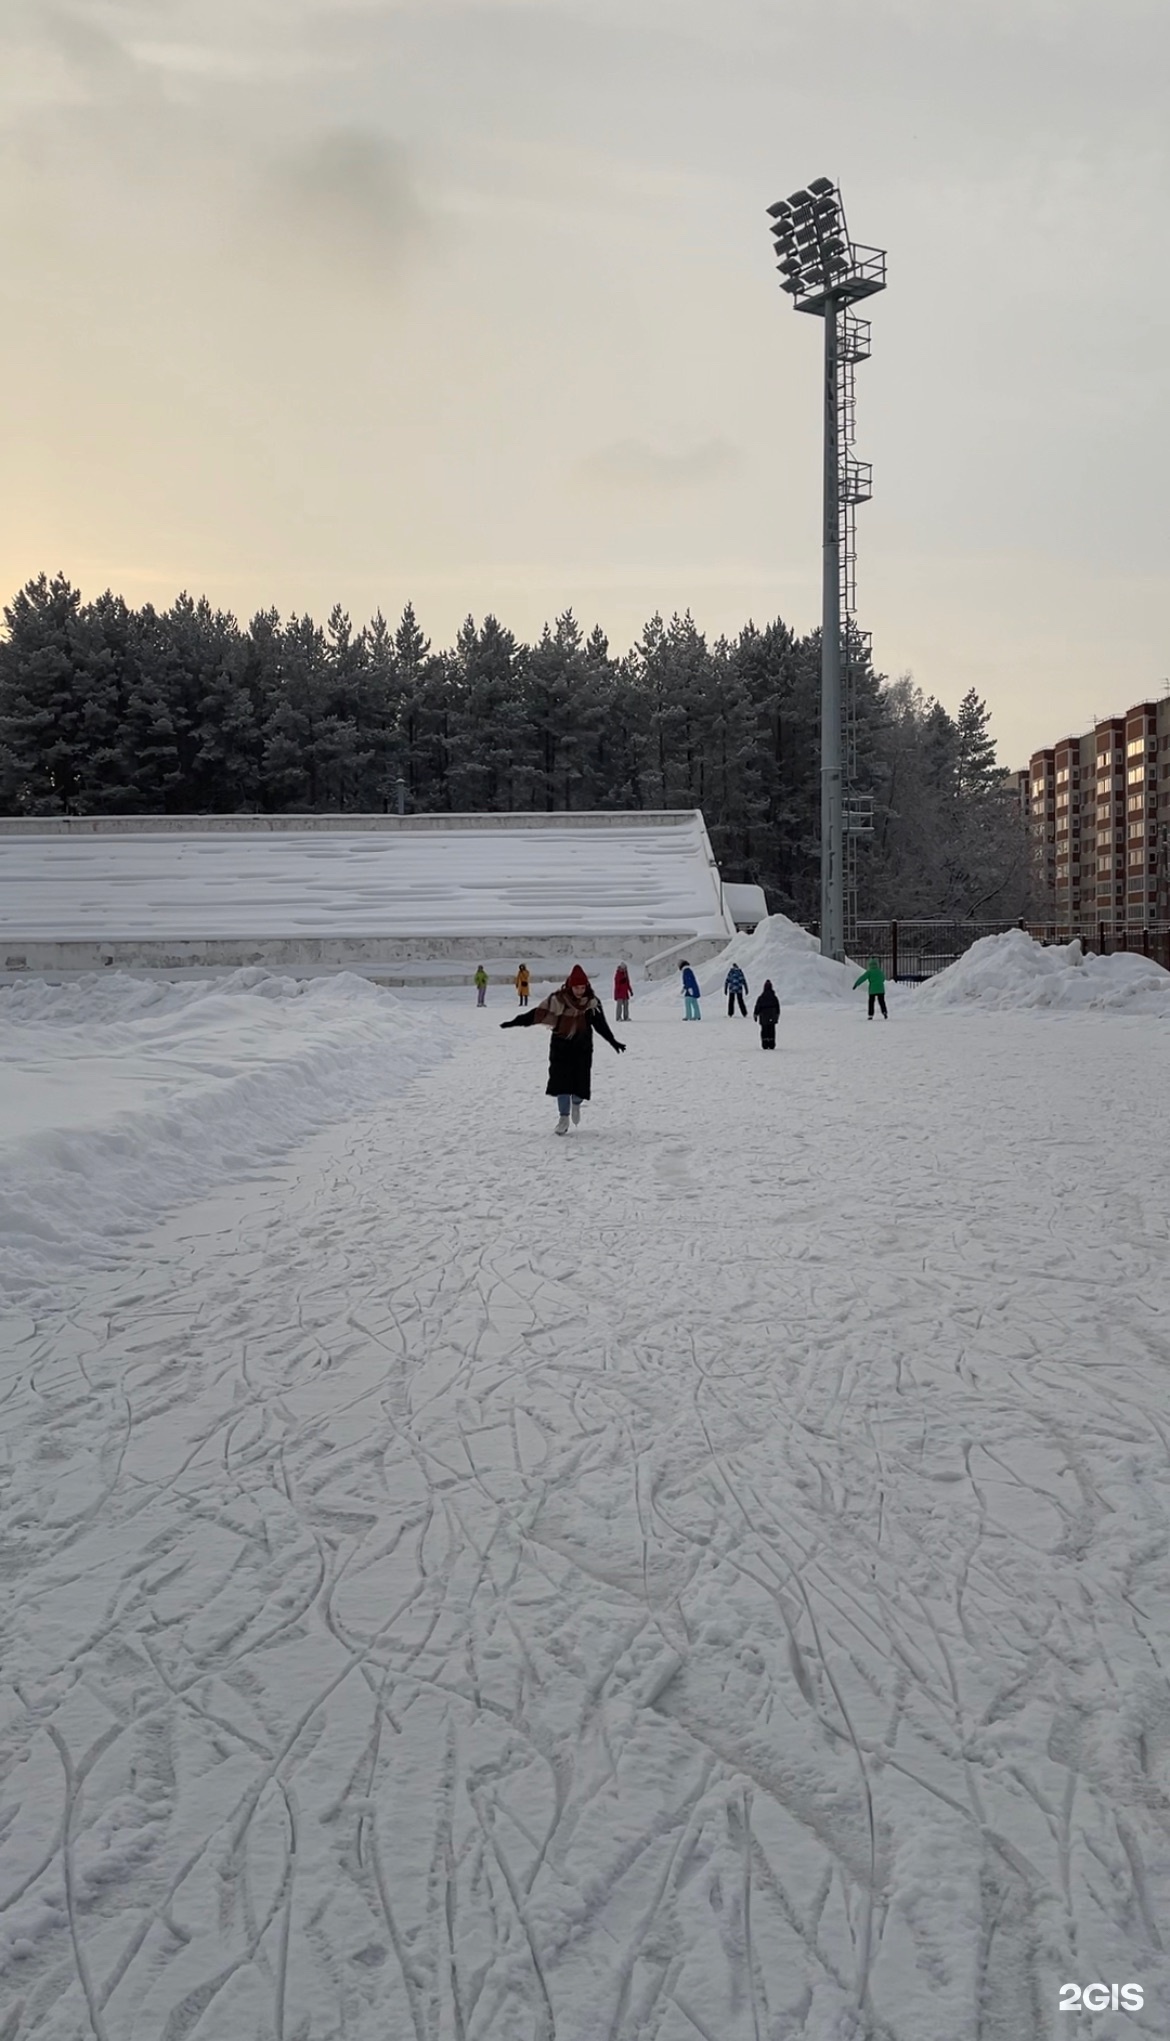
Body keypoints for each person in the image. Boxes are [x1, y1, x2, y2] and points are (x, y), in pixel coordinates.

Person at [500, 964, 625, 1133]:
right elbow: (537, 1014)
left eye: (583, 987)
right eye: (577, 987)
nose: (580, 991)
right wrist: (514, 1022)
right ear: (570, 985)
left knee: (580, 1086)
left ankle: (576, 1103)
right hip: (561, 1047)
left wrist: (613, 1041)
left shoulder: (592, 1003)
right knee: (562, 1084)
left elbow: (600, 1024)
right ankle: (563, 1118)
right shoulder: (557, 1000)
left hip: (582, 1048)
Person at [753, 978, 780, 1050]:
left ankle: (764, 1044)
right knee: (771, 1030)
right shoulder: (774, 997)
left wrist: (755, 1014)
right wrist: (777, 1015)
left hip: (763, 1016)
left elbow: (758, 1006)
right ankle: (771, 1044)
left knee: (764, 1030)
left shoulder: (761, 997)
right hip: (772, 1016)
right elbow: (777, 1007)